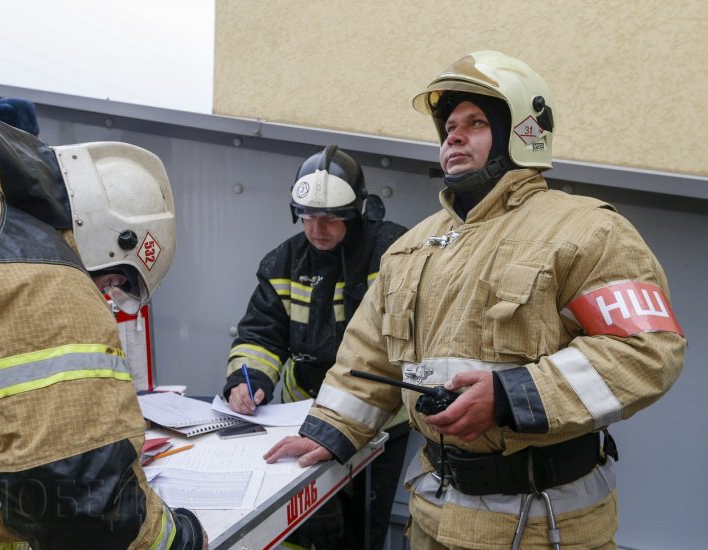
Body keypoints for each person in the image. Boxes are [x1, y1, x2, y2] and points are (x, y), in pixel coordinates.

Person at [263, 51, 686, 549]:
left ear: (521, 134)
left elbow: (646, 351)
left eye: (477, 122)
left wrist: (510, 396)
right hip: (432, 517)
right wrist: (328, 431)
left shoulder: (588, 231)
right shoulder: (412, 246)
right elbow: (366, 356)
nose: (453, 136)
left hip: (543, 529)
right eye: (449, 128)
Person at [0, 110, 206, 549]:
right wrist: (177, 540)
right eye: (118, 280)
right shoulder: (43, 276)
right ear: (112, 237)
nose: (107, 294)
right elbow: (77, 499)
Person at [223, 145, 409, 549]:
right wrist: (247, 379)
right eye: (307, 217)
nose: (316, 229)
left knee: (362, 529)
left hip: (377, 424)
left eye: (329, 219)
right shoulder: (284, 262)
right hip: (300, 415)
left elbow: (395, 344)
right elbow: (261, 334)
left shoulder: (392, 254)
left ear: (354, 213)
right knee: (300, 523)